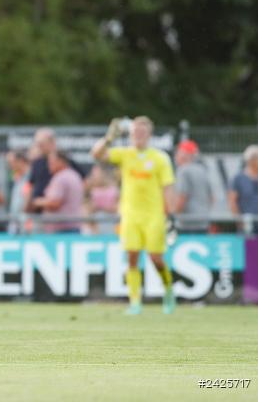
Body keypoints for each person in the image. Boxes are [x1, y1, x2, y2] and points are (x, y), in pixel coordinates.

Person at [92, 116, 175, 315]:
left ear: (149, 135)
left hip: (154, 215)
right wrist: (108, 138)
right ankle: (135, 301)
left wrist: (170, 215)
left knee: (156, 258)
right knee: (132, 257)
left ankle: (168, 290)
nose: (138, 136)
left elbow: (168, 188)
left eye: (142, 132)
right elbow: (96, 154)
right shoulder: (125, 154)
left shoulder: (160, 158)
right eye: (135, 132)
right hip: (130, 214)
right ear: (130, 134)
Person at [32, 150, 84, 234]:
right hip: (73, 226)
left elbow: (55, 203)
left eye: (51, 162)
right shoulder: (74, 175)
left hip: (61, 230)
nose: (48, 166)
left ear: (61, 161)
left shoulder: (61, 178)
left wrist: (37, 202)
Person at [173, 140, 214, 234]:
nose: (176, 157)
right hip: (203, 221)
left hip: (186, 223)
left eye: (178, 153)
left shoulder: (183, 171)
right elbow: (212, 198)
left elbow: (182, 197)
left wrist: (174, 214)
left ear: (185, 155)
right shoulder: (203, 170)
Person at [228, 145, 258, 235]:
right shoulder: (238, 179)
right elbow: (232, 201)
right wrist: (239, 221)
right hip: (247, 224)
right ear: (252, 161)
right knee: (251, 248)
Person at [84, 164, 119, 235]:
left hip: (111, 224)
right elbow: (87, 209)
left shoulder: (114, 189)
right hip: (95, 226)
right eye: (93, 174)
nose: (96, 176)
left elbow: (117, 208)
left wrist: (102, 208)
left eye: (98, 173)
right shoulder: (90, 189)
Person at [5, 149, 31, 234]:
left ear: (20, 161)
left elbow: (27, 199)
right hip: (15, 224)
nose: (10, 166)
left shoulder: (30, 178)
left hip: (25, 225)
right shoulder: (17, 178)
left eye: (11, 162)